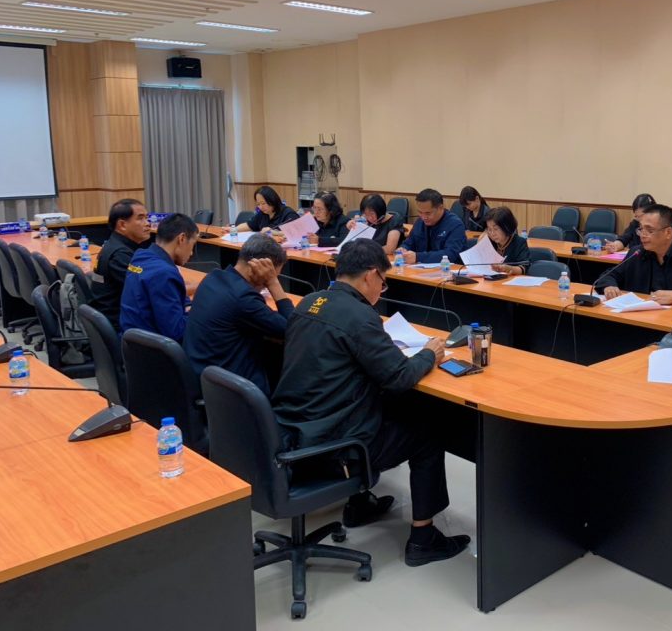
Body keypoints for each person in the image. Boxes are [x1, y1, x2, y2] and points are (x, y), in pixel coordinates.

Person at [272, 240, 471, 566]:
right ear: (371, 275)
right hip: (335, 448)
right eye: (383, 282)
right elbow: (399, 377)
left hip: (293, 434)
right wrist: (428, 354)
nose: (382, 289)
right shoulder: (360, 316)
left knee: (382, 405)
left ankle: (359, 503)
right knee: (429, 430)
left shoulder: (308, 302)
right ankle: (424, 539)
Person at [183, 234, 294, 396]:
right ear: (259, 267)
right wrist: (273, 284)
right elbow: (292, 329)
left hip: (201, 374)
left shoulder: (213, 277)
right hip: (229, 390)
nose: (265, 286)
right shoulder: (243, 298)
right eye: (270, 276)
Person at [119, 213, 198, 342]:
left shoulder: (141, 256)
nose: (191, 252)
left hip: (131, 343)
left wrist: (188, 306)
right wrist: (199, 310)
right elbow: (177, 332)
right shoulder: (164, 273)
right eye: (193, 244)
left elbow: (179, 298)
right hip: (152, 349)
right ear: (182, 239)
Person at [88, 198, 150, 331]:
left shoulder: (116, 245)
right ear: (122, 225)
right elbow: (148, 289)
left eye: (147, 218)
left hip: (114, 318)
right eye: (140, 218)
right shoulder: (120, 255)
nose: (147, 223)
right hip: (120, 326)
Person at [401, 188, 466, 265]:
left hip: (448, 269)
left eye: (428, 213)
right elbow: (409, 243)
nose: (423, 217)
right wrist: (403, 249)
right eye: (420, 212)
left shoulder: (455, 224)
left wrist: (418, 257)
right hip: (419, 269)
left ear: (440, 208)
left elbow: (450, 254)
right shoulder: (420, 222)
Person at [606, 194, 672, 252]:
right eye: (637, 216)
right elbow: (624, 239)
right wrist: (615, 246)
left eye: (642, 216)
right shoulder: (635, 223)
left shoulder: (668, 223)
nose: (640, 220)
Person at [483, 206, 530, 276]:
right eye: (489, 229)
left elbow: (524, 268)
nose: (492, 233)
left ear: (507, 227)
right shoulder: (490, 241)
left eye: (496, 229)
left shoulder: (519, 242)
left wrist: (509, 269)